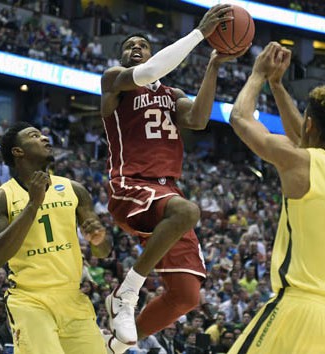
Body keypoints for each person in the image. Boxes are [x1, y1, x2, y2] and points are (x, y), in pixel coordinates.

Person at [100, 5, 243, 352]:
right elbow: (149, 71)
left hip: (166, 191)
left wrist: (213, 65)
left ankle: (112, 347)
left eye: (143, 44)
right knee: (187, 211)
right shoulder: (114, 80)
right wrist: (199, 32)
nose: (136, 48)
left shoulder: (172, 95)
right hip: (131, 183)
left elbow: (197, 119)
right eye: (130, 45)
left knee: (185, 297)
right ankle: (126, 292)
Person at [226, 42, 325, 353]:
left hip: (300, 311)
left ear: (310, 123)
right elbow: (303, 138)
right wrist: (277, 86)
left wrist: (258, 75)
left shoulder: (299, 162)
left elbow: (240, 118)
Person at [0, 122, 112, 354]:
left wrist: (99, 238)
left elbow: (103, 252)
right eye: (34, 136)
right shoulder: (2, 197)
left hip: (73, 297)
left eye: (43, 135)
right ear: (18, 151)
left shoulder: (74, 189)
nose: (44, 138)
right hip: (29, 300)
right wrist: (33, 205)